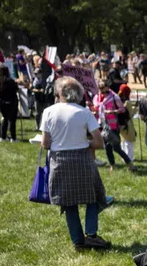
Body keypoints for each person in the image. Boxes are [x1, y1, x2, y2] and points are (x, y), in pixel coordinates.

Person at [40, 77, 112, 250]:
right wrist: (83, 143)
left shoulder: (48, 111)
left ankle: (78, 241)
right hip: (82, 159)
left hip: (59, 162)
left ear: (58, 92)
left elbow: (45, 143)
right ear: (79, 93)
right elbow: (98, 142)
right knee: (93, 198)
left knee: (69, 202)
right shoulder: (84, 113)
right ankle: (92, 235)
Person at [93, 80, 135, 173]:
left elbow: (122, 109)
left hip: (113, 125)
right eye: (99, 88)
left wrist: (112, 111)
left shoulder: (114, 97)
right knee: (107, 147)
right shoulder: (97, 97)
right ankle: (112, 165)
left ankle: (129, 163)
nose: (100, 90)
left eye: (102, 88)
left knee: (116, 147)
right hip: (102, 124)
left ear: (107, 87)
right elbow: (97, 108)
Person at [0, 65, 19, 142]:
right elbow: (16, 90)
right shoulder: (10, 81)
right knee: (12, 120)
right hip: (11, 102)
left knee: (5, 118)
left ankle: (3, 137)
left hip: (0, 102)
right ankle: (13, 138)